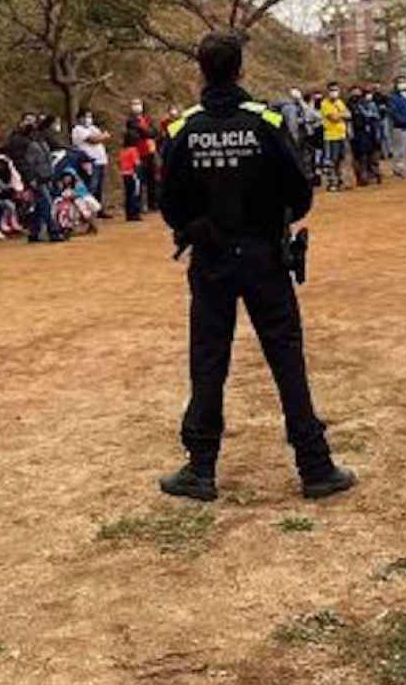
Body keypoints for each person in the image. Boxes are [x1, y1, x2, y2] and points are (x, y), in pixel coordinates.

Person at [158, 31, 355, 503]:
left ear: (201, 71)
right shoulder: (266, 122)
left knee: (209, 359)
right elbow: (300, 193)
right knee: (286, 358)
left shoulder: (183, 130)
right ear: (241, 70)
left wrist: (200, 224)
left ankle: (201, 468)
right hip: (265, 257)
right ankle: (315, 465)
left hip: (211, 262)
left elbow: (169, 205)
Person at [72, 109, 111, 215]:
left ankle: (98, 209)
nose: (88, 119)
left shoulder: (92, 128)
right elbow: (94, 139)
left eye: (90, 116)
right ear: (80, 118)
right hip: (89, 162)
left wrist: (101, 137)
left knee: (99, 187)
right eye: (86, 117)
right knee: (91, 186)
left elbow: (101, 137)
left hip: (100, 161)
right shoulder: (78, 129)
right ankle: (87, 211)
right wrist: (102, 137)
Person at [127, 101, 160, 211]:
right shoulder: (131, 121)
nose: (137, 106)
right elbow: (141, 133)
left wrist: (145, 131)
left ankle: (153, 204)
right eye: (134, 104)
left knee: (153, 179)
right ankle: (139, 205)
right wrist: (146, 131)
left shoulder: (147, 119)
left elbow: (154, 132)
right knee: (140, 180)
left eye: (138, 104)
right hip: (138, 153)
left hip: (150, 151)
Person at [318, 83, 350, 192]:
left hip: (342, 135)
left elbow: (349, 115)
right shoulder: (325, 104)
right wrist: (342, 115)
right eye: (332, 90)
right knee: (332, 160)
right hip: (331, 136)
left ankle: (341, 180)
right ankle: (332, 182)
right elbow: (333, 118)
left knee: (341, 159)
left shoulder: (340, 102)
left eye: (336, 90)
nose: (334, 92)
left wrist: (341, 114)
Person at [119, 135, 144, 221]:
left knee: (128, 194)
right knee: (135, 193)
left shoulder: (122, 151)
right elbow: (137, 163)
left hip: (125, 174)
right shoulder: (133, 150)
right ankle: (135, 213)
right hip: (133, 173)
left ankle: (129, 214)